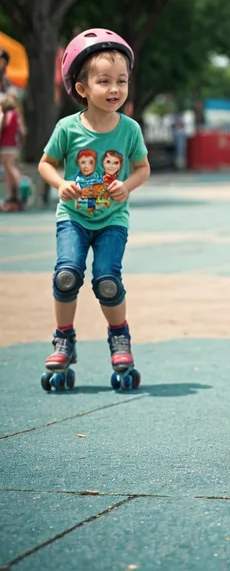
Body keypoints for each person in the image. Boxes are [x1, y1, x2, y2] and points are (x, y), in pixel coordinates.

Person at [38, 29, 150, 387]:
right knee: (66, 275)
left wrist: (127, 186)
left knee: (107, 281)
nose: (115, 89)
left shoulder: (129, 129)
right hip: (72, 217)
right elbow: (45, 163)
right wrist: (60, 184)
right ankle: (63, 339)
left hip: (112, 220)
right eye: (104, 81)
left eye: (122, 81)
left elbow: (144, 168)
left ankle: (120, 337)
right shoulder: (68, 128)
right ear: (82, 88)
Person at [0, 93, 26, 211]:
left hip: (6, 145)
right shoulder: (17, 115)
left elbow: (2, 126)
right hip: (14, 145)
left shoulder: (6, 115)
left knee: (9, 167)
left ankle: (22, 183)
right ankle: (12, 195)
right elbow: (22, 131)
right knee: (8, 170)